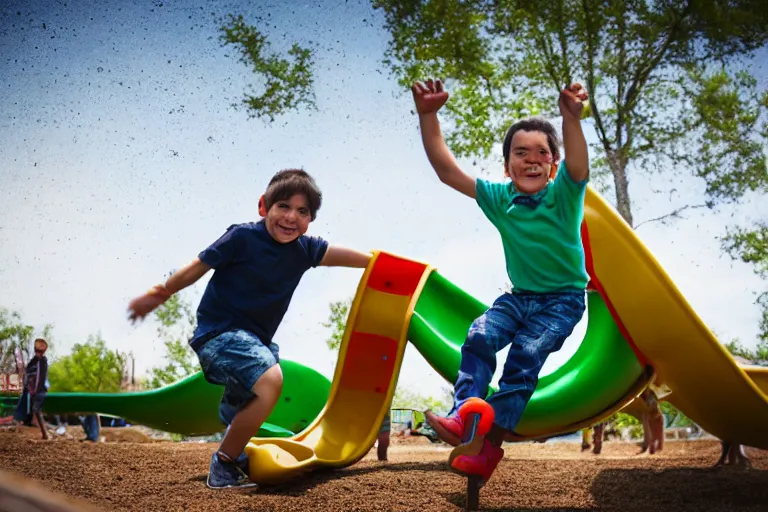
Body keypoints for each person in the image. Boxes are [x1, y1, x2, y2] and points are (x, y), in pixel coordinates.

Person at [127, 169, 371, 489]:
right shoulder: (242, 237)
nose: (291, 217)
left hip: (255, 343)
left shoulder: (306, 250)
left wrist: (381, 264)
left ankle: (234, 428)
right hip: (219, 334)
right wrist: (161, 292)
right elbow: (200, 264)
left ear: (311, 219)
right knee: (270, 381)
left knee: (257, 385)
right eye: (283, 206)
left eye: (303, 211)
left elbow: (351, 257)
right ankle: (224, 464)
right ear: (263, 206)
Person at [413, 78, 590, 484]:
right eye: (520, 153)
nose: (531, 160)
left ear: (553, 166)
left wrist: (569, 119)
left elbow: (579, 163)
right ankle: (464, 416)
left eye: (541, 154)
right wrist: (428, 115)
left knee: (525, 356)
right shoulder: (499, 197)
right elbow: (446, 171)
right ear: (506, 165)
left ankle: (489, 446)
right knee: (478, 335)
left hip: (562, 300)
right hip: (519, 297)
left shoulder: (563, 194)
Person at [14, 338, 50, 440]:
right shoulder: (34, 361)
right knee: (32, 409)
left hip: (39, 390)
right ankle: (43, 433)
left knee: (36, 409)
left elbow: (40, 377)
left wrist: (36, 390)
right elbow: (28, 372)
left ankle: (45, 434)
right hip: (31, 389)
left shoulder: (42, 361)